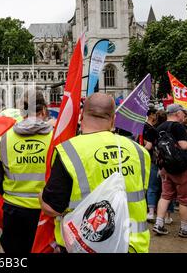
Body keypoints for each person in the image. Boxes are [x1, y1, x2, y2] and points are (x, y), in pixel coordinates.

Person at [40, 93, 151, 253]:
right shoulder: (139, 152)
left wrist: (40, 195)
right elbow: (140, 193)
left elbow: (52, 208)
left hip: (84, 244)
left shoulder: (68, 151)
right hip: (131, 244)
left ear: (81, 116)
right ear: (113, 119)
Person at [0, 90, 53, 253]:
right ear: (44, 110)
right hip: (45, 212)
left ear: (21, 111)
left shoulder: (4, 138)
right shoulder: (55, 138)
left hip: (13, 211)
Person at [152, 104, 187, 238]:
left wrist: (161, 167)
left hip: (166, 168)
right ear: (177, 113)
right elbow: (183, 145)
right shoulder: (178, 126)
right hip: (182, 168)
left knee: (165, 196)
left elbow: (158, 149)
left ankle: (159, 224)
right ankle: (185, 228)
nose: (185, 115)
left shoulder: (159, 127)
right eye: (183, 113)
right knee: (185, 199)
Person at [143, 107, 174, 224]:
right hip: (168, 162)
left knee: (152, 187)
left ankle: (151, 213)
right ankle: (167, 216)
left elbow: (149, 146)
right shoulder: (172, 129)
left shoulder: (152, 129)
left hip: (154, 161)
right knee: (168, 189)